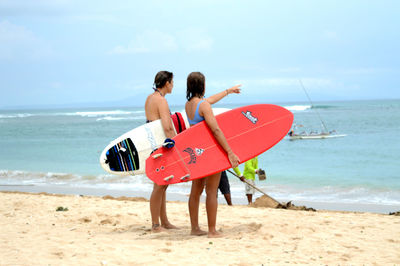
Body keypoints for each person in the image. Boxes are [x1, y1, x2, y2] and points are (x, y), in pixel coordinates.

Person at [185, 71, 240, 238]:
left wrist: (228, 91)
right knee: (211, 191)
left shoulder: (189, 105)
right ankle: (212, 231)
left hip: (196, 152)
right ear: (203, 86)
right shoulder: (204, 106)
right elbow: (215, 129)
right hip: (209, 152)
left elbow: (209, 101)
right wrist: (230, 152)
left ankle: (194, 228)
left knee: (195, 191)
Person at [145, 70, 177, 232]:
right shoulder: (161, 101)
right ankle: (155, 224)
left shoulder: (150, 98)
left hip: (152, 144)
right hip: (161, 145)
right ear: (166, 83)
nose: (173, 85)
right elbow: (167, 126)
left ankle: (164, 221)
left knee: (162, 183)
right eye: (172, 82)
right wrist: (176, 144)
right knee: (159, 185)